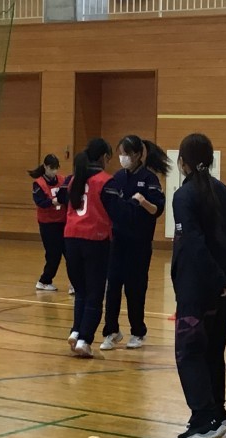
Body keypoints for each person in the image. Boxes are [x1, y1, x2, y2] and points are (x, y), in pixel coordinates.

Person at [171, 133, 226, 438]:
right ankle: (217, 413)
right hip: (223, 292)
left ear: (182, 162)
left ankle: (204, 418)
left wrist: (219, 279)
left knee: (189, 353)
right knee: (213, 353)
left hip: (198, 292)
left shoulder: (184, 196)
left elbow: (193, 244)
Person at [60, 139, 130, 358]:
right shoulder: (105, 181)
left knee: (81, 290)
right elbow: (119, 213)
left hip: (71, 239)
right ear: (103, 157)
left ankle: (76, 331)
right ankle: (85, 339)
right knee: (95, 293)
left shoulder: (74, 179)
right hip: (95, 240)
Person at [100, 135, 170, 351]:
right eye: (120, 154)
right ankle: (111, 331)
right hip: (117, 240)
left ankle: (138, 331)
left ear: (138, 154)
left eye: (126, 154)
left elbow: (157, 209)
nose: (123, 158)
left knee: (135, 288)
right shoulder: (117, 177)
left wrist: (143, 201)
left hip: (139, 243)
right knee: (113, 287)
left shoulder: (149, 179)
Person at [29, 154, 68, 292]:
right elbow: (40, 202)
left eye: (56, 168)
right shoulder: (38, 184)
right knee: (53, 255)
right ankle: (44, 281)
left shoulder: (63, 180)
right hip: (48, 224)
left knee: (70, 254)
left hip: (63, 222)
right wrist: (52, 202)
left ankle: (75, 283)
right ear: (45, 167)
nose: (54, 171)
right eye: (52, 168)